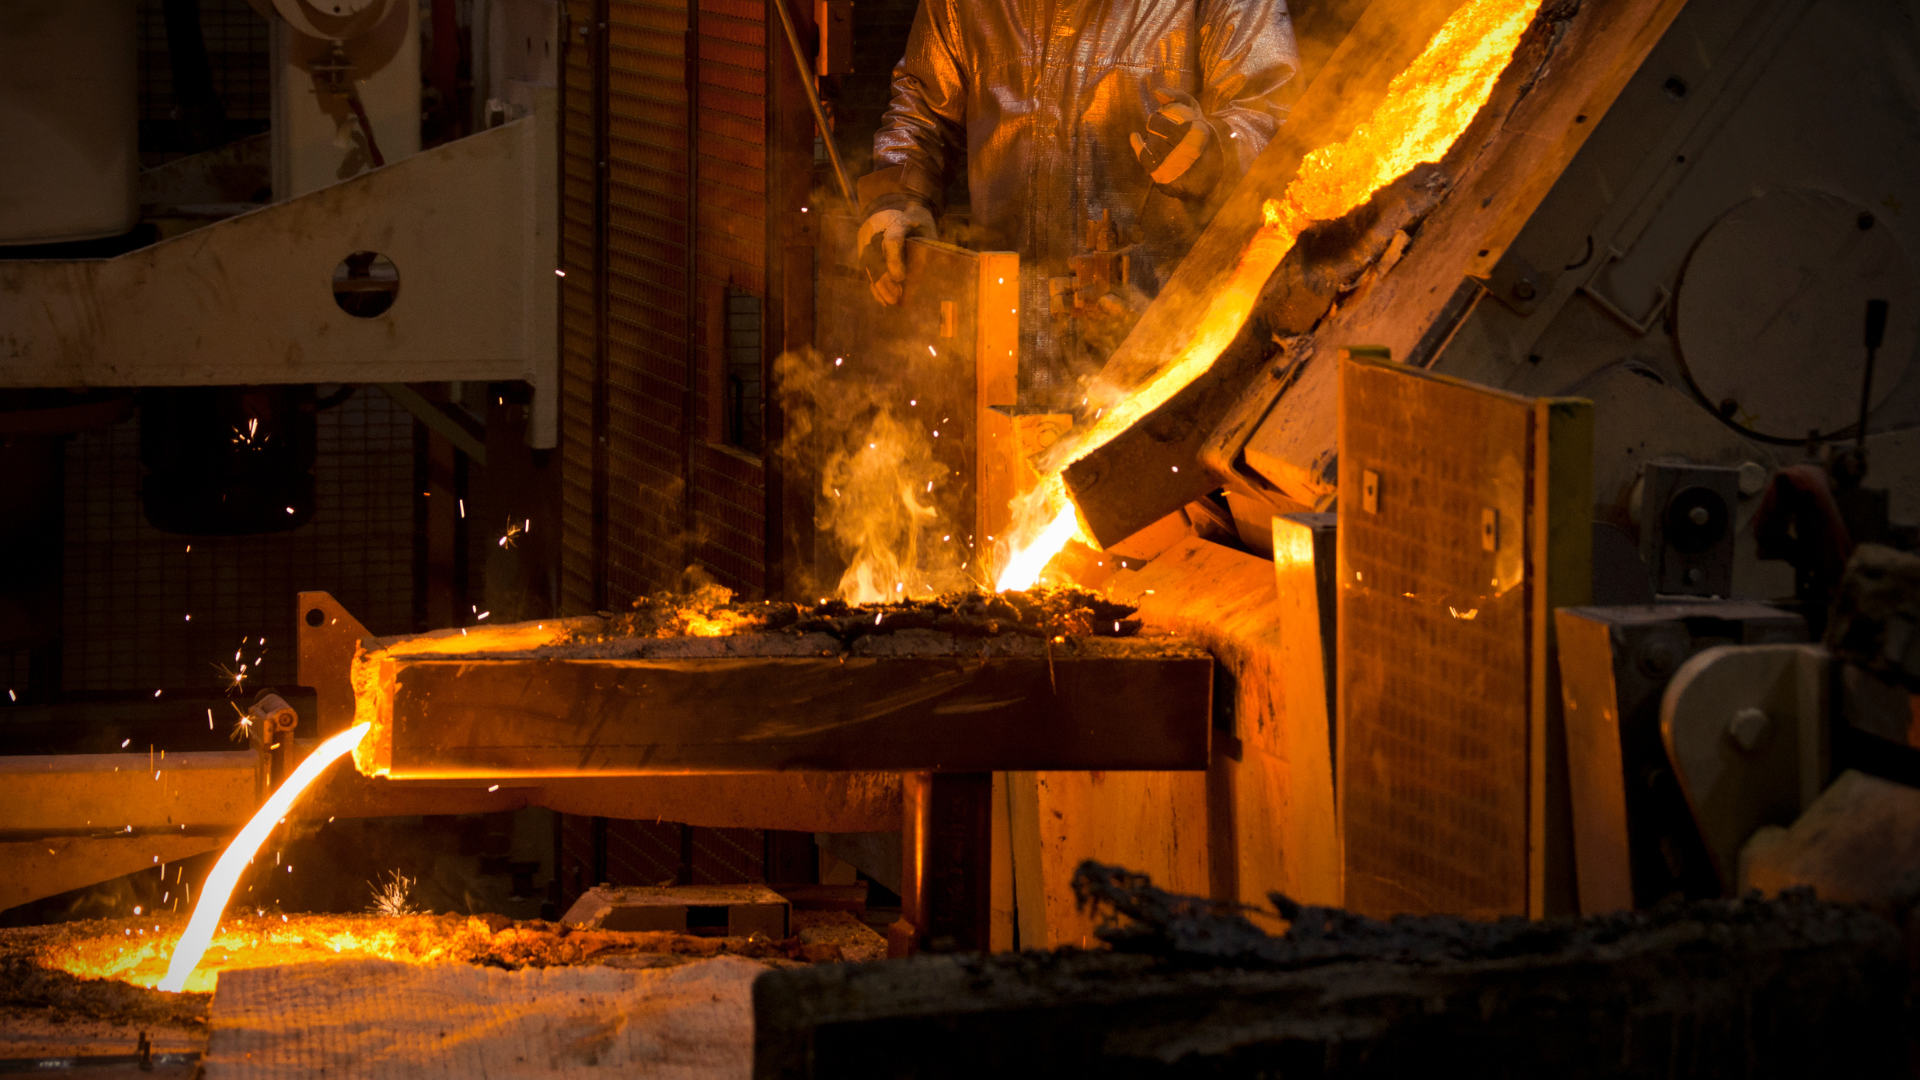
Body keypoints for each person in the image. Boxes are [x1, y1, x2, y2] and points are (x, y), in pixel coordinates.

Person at [855, 0, 1299, 407]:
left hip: (1157, 348)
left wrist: (1217, 151)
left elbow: (1270, 113)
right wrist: (897, 197)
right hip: (1005, 344)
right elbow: (922, 111)